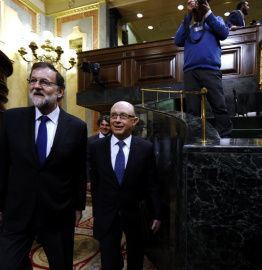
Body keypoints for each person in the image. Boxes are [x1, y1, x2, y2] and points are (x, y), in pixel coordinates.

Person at [0, 62, 88, 270]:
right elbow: (0, 167)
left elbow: (78, 170)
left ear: (60, 91)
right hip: (17, 210)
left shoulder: (77, 127)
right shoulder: (12, 118)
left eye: (45, 82)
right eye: (33, 81)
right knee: (7, 265)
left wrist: (78, 206)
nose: (37, 86)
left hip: (58, 211)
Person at [89, 101, 162, 270]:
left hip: (135, 214)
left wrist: (157, 214)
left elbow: (152, 182)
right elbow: (96, 183)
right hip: (107, 214)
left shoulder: (145, 148)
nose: (117, 120)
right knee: (109, 260)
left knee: (135, 258)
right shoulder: (96, 147)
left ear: (134, 121)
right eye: (114, 115)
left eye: (123, 116)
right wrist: (98, 211)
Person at [174, 0, 233, 138]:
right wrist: (188, 15)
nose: (197, 7)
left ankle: (225, 137)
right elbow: (177, 40)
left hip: (210, 70)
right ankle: (194, 137)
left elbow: (224, 33)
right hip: (191, 72)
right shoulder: (188, 27)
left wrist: (208, 13)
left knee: (218, 105)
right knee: (192, 109)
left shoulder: (215, 20)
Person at [86, 115, 111, 191]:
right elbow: (86, 161)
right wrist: (88, 180)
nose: (104, 127)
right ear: (99, 125)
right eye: (102, 125)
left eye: (107, 125)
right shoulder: (90, 141)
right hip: (96, 178)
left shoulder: (116, 139)